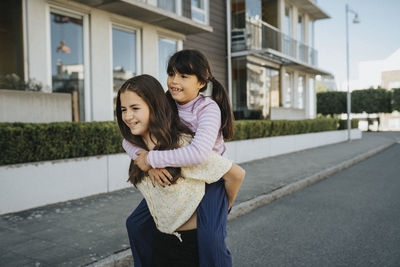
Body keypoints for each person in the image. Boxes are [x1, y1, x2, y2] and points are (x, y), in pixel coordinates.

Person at [123, 49, 240, 267]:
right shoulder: (165, 105)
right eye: (171, 74)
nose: (174, 81)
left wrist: (153, 160)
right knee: (136, 225)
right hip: (180, 176)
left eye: (184, 76)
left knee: (210, 240)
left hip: (210, 180)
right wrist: (146, 162)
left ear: (201, 82)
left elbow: (198, 154)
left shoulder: (207, 108)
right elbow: (128, 140)